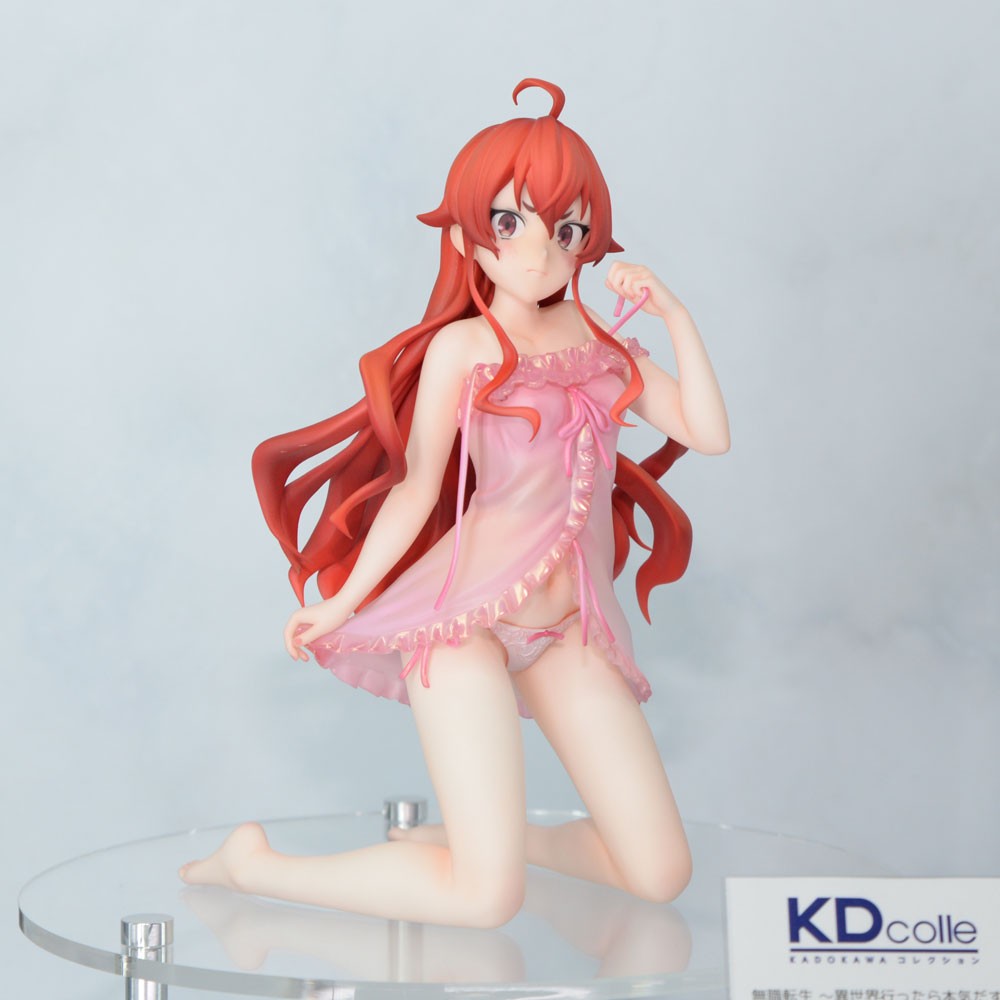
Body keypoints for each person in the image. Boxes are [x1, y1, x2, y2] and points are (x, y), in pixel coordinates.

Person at [180, 78, 729, 929]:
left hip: (570, 629)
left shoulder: (605, 348)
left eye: (566, 230)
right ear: (470, 234)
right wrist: (342, 604)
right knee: (485, 901)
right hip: (462, 619)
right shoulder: (465, 350)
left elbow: (707, 431)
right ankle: (256, 868)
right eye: (509, 222)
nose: (538, 252)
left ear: (587, 243)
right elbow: (416, 489)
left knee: (659, 874)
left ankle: (469, 843)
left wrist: (677, 314)